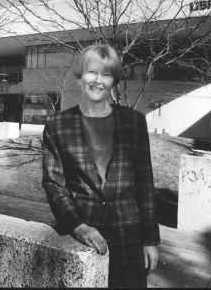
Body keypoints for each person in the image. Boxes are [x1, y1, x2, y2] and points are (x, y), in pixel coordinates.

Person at [42, 44, 160, 288]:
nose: (98, 81)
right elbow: (54, 183)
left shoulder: (134, 121)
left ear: (113, 80)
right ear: (79, 75)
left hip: (129, 234)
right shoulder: (57, 125)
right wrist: (77, 225)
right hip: (84, 233)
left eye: (106, 74)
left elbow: (145, 183)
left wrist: (151, 240)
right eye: (91, 72)